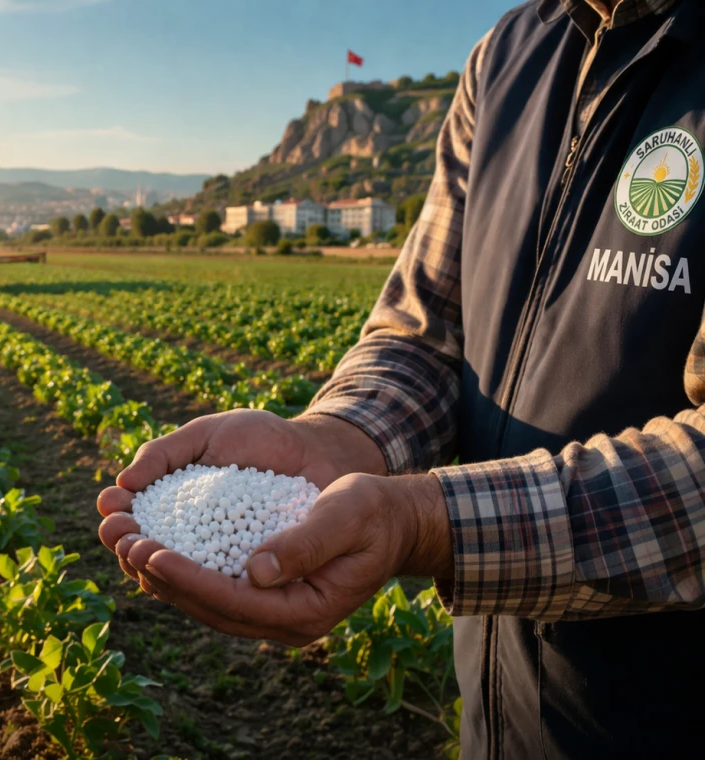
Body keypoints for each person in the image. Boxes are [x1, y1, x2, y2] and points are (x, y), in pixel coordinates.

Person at [97, 1, 705, 757]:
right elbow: (428, 330)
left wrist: (423, 523)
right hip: (505, 718)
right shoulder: (512, 54)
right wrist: (337, 437)